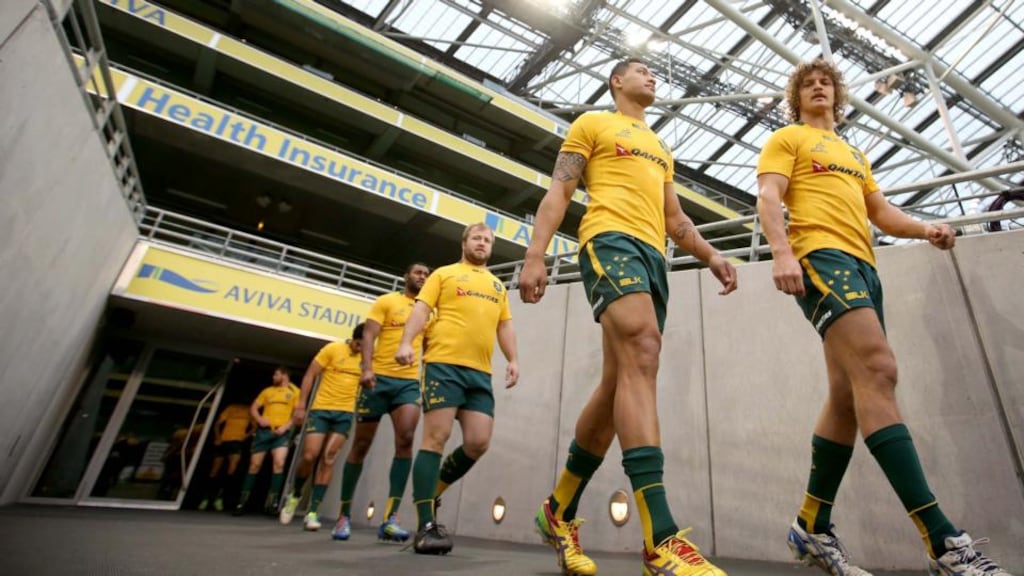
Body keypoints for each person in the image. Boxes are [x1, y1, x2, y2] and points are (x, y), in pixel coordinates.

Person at [756, 58, 1013, 576]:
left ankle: (811, 525)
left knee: (849, 397)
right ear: (797, 97)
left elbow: (880, 212)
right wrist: (782, 252)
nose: (818, 87)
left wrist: (924, 229)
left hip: (864, 265)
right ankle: (942, 541)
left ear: (838, 93)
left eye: (825, 81)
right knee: (879, 370)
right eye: (807, 83)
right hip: (821, 257)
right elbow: (768, 195)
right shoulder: (789, 139)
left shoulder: (853, 154)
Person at [518, 58, 737, 576]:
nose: (653, 77)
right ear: (617, 81)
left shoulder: (661, 146)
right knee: (644, 348)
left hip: (652, 256)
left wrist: (711, 255)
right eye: (641, 71)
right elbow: (560, 190)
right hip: (608, 242)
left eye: (655, 73)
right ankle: (660, 539)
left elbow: (674, 217)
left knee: (619, 381)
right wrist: (535, 254)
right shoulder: (592, 124)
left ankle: (558, 510)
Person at [395, 222, 519, 555]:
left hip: (479, 373)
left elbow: (504, 324)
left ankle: (431, 491)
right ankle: (425, 525)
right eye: (477, 238)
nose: (482, 243)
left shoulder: (496, 284)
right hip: (443, 365)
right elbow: (421, 309)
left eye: (488, 240)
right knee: (435, 439)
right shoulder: (444, 275)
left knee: (478, 442)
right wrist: (407, 341)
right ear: (464, 242)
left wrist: (513, 359)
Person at [331, 263, 431, 543]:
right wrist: (366, 369)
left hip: (408, 383)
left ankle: (390, 518)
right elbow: (369, 336)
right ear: (406, 276)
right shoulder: (386, 301)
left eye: (426, 274)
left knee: (407, 438)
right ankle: (344, 515)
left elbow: (430, 345)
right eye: (417, 272)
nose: (422, 276)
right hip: (377, 381)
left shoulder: (428, 311)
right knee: (360, 446)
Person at [280, 324, 365, 533]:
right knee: (310, 456)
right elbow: (310, 375)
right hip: (321, 410)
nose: (362, 349)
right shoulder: (332, 349)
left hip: (344, 413)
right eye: (360, 345)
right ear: (354, 340)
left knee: (328, 458)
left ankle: (313, 512)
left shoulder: (367, 359)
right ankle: (296, 493)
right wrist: (301, 405)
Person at [232, 367, 300, 516]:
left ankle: (272, 503)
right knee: (254, 465)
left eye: (276, 374)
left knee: (279, 464)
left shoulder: (295, 392)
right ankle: (241, 502)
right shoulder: (267, 391)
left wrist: (286, 427)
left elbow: (297, 413)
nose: (273, 377)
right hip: (264, 432)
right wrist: (259, 419)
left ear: (284, 375)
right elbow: (254, 408)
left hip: (282, 433)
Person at [198, 402, 254, 511]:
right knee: (214, 470)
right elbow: (218, 423)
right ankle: (206, 498)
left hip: (236, 442)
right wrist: (218, 437)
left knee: (232, 469)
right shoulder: (231, 407)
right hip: (224, 440)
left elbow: (254, 427)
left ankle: (220, 497)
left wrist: (245, 437)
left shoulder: (250, 410)